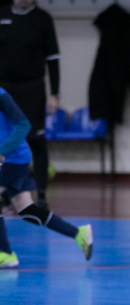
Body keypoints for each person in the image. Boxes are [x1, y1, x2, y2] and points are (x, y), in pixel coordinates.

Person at [0, 87, 93, 268]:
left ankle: (5, 253)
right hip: (12, 159)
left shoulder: (1, 96)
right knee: (27, 210)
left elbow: (24, 124)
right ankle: (78, 233)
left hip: (13, 158)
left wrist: (2, 151)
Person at [0, 0, 61, 208]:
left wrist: (54, 93)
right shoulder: (2, 15)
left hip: (33, 88)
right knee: (6, 141)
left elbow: (53, 58)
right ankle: (6, 192)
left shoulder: (43, 19)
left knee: (36, 141)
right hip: (5, 88)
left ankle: (41, 194)